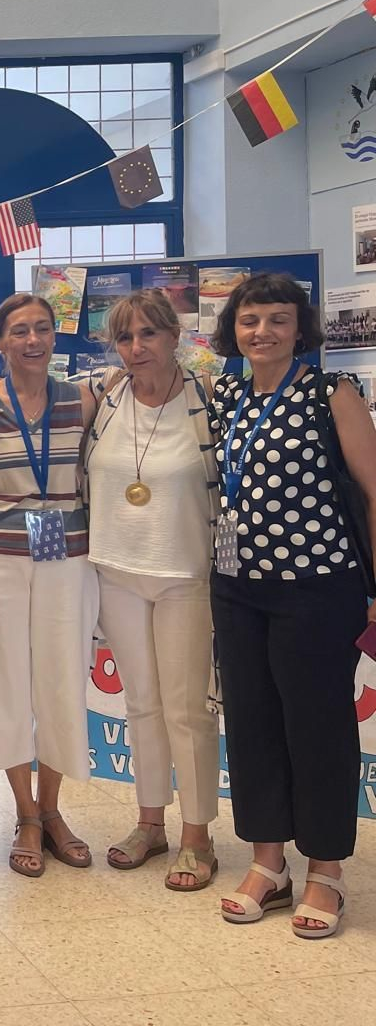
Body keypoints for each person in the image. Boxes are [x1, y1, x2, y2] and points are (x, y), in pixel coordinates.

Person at [0, 289, 224, 891]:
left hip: (176, 572)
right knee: (140, 703)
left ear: (174, 337)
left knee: (181, 708)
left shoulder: (198, 399)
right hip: (109, 569)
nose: (138, 348)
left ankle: (196, 835)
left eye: (150, 335)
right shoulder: (105, 397)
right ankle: (146, 822)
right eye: (127, 338)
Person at [208, 274, 376, 938]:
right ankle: (267, 862)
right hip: (236, 585)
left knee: (318, 727)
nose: (263, 333)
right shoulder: (225, 393)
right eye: (251, 321)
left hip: (317, 586)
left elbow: (371, 490)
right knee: (251, 726)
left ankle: (326, 871)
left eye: (278, 321)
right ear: (235, 328)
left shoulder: (330, 393)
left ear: (300, 329)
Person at [0, 294, 97, 880]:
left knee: (62, 678)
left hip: (68, 559)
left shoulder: (84, 400)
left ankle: (55, 810)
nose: (32, 340)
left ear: (55, 336)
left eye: (42, 328)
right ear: (0, 343)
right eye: (19, 331)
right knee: (5, 680)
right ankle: (26, 814)